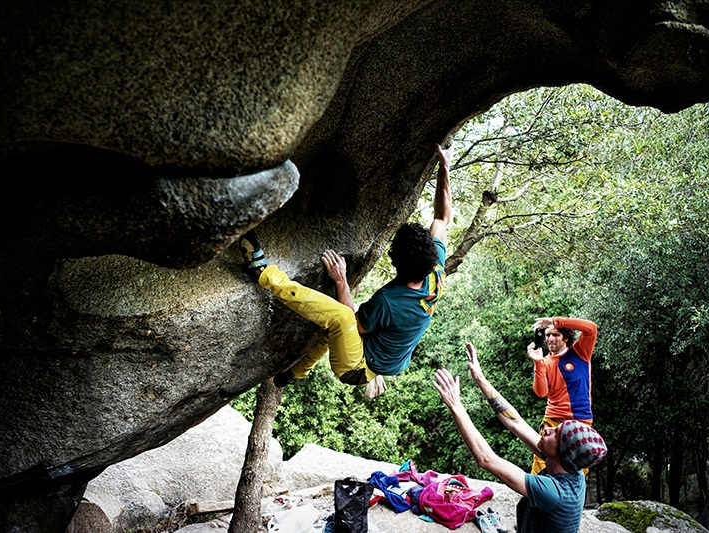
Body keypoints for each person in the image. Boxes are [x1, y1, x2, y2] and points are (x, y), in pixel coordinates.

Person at [239, 144, 453, 396]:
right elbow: (442, 218)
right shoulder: (434, 267)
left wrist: (340, 280)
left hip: (356, 368)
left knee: (339, 317)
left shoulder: (390, 302)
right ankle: (297, 372)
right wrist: (444, 166)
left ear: (396, 264)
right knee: (337, 326)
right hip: (385, 358)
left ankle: (264, 274)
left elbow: (350, 322)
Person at [433, 343, 607, 533]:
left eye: (556, 434)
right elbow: (516, 422)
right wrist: (480, 378)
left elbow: (486, 459)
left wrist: (455, 405)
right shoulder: (569, 465)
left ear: (562, 452)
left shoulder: (553, 493)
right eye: (556, 427)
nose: (548, 430)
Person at [526, 316, 597, 475]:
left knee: (578, 469)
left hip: (579, 420)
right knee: (541, 465)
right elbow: (541, 392)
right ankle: (536, 497)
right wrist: (537, 362)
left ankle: (570, 498)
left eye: (555, 334)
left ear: (565, 337)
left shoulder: (580, 352)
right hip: (553, 419)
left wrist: (555, 321)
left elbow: (591, 328)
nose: (550, 338)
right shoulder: (543, 362)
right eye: (548, 335)